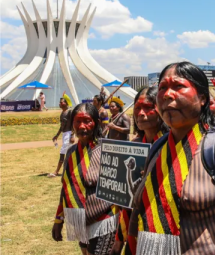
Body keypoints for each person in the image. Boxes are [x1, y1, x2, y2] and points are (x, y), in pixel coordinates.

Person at [129, 61, 215, 254]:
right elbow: (140, 210)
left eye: (178, 86)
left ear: (202, 98)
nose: (167, 95)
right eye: (162, 88)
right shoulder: (158, 148)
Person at [51, 103, 118, 255]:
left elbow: (121, 192)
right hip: (81, 221)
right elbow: (66, 188)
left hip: (105, 221)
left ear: (96, 123)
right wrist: (58, 219)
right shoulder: (71, 153)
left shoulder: (107, 151)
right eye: (77, 121)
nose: (82, 126)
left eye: (87, 121)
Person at [111, 86, 167, 255]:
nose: (141, 113)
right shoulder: (133, 146)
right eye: (137, 108)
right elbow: (125, 201)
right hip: (135, 230)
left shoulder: (171, 145)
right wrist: (119, 239)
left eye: (148, 107)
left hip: (163, 231)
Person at [49, 95, 74, 178]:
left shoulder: (70, 112)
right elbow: (62, 126)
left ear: (66, 103)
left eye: (61, 102)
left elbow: (74, 124)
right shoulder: (62, 113)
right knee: (69, 153)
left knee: (63, 152)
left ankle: (56, 171)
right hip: (65, 134)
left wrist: (72, 135)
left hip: (69, 134)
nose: (59, 103)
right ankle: (70, 171)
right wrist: (56, 135)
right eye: (59, 102)